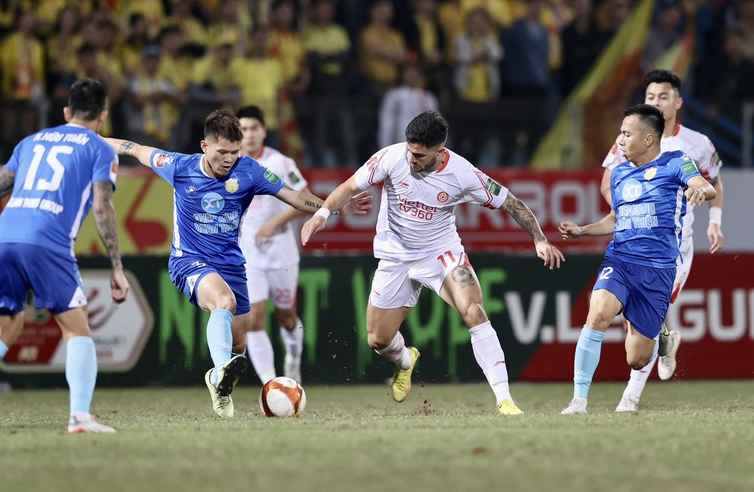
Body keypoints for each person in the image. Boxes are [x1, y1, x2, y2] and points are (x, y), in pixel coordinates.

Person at [103, 109, 370, 418]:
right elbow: (133, 148)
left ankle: (220, 381)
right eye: (222, 152)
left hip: (231, 264)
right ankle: (218, 374)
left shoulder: (250, 171)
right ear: (205, 147)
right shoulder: (178, 166)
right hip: (189, 260)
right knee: (223, 302)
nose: (229, 159)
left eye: (234, 151)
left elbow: (294, 197)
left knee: (239, 342)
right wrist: (90, 139)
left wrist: (333, 208)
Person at [300, 110, 565, 415]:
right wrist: (321, 216)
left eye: (420, 155)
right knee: (377, 339)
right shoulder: (391, 157)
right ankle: (405, 360)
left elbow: (511, 202)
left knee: (474, 311)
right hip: (395, 257)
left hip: (441, 254)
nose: (412, 159)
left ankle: (505, 400)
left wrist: (539, 238)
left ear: (440, 151)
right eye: (410, 151)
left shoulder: (463, 174)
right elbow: (349, 187)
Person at [0, 78, 130, 434]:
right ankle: (80, 417)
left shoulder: (30, 142)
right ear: (103, 116)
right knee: (77, 329)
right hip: (47, 240)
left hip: (3, 238)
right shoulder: (101, 149)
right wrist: (116, 266)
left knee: (2, 329)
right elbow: (103, 208)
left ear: (66, 112)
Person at [559, 104, 716, 415]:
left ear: (647, 139)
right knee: (598, 315)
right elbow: (616, 218)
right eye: (620, 132)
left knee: (636, 359)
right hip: (620, 260)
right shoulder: (619, 173)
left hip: (657, 270)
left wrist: (701, 192)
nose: (619, 139)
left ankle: (664, 340)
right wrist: (583, 230)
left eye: (626, 133)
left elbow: (705, 186)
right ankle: (578, 401)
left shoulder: (676, 162)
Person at [599, 70, 724, 412]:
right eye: (651, 96)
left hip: (673, 251)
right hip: (633, 245)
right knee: (633, 318)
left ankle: (630, 398)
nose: (656, 102)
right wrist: (628, 209)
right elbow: (607, 184)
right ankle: (667, 339)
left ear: (678, 102)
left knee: (644, 321)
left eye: (663, 96)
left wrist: (715, 222)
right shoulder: (630, 138)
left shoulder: (696, 144)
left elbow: (714, 183)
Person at [237, 105, 308, 383]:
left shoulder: (280, 162)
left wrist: (273, 224)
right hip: (248, 254)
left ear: (264, 131)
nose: (250, 135)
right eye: (243, 129)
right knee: (254, 318)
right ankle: (271, 383)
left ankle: (293, 358)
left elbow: (302, 199)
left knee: (287, 316)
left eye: (254, 128)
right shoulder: (231, 165)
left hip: (281, 249)